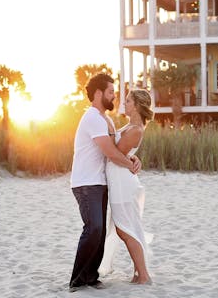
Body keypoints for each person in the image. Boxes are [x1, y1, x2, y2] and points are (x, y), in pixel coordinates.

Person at [69, 73, 142, 292]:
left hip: (99, 182)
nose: (114, 96)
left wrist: (132, 157)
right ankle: (77, 279)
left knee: (99, 231)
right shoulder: (92, 117)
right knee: (94, 228)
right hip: (85, 182)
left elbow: (118, 147)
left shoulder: (105, 119)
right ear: (99, 93)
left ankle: (91, 277)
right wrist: (129, 165)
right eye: (111, 92)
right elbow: (110, 152)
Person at [100, 89, 153, 285]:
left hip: (123, 183)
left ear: (138, 105)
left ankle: (144, 275)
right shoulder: (130, 126)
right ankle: (139, 273)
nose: (125, 104)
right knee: (126, 228)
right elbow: (124, 153)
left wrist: (130, 159)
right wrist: (133, 158)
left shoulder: (136, 129)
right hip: (119, 180)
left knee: (125, 229)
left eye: (129, 101)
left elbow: (115, 153)